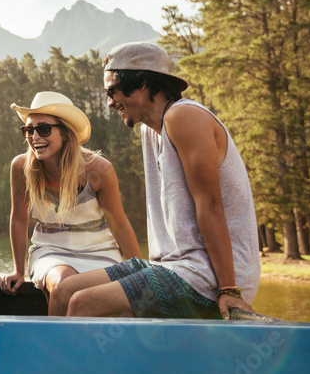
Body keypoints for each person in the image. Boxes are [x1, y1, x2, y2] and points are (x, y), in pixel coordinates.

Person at [54, 42, 260, 319]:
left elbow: (210, 204)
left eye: (111, 91)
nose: (110, 102)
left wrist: (229, 289)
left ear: (141, 82)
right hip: (172, 267)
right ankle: (50, 364)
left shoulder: (184, 116)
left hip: (209, 275)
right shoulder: (151, 132)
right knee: (64, 291)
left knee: (84, 303)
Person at [0, 92, 141, 314]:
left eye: (43, 129)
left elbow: (119, 225)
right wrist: (17, 270)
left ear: (65, 133)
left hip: (101, 251)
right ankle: (56, 348)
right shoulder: (21, 167)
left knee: (104, 300)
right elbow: (18, 217)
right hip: (51, 251)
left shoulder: (98, 170)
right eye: (29, 130)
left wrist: (140, 270)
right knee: (64, 282)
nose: (35, 136)